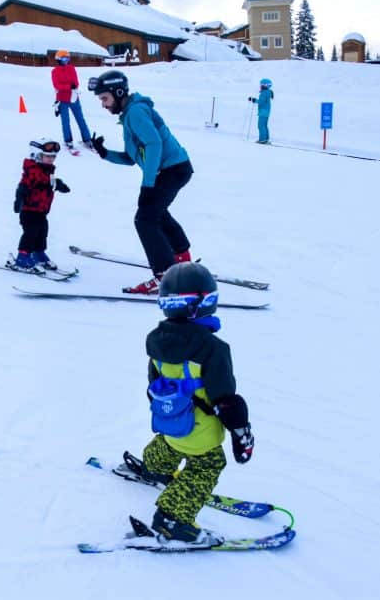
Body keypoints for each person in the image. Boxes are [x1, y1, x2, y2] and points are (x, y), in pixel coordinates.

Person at [122, 262, 254, 545]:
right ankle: (173, 519)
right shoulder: (213, 348)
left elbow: (152, 383)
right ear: (199, 306)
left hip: (170, 421)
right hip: (199, 430)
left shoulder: (156, 341)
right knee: (207, 464)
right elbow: (226, 399)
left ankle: (153, 466)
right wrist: (242, 434)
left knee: (170, 442)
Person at [88, 70, 194, 294]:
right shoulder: (130, 115)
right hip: (171, 169)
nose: (103, 105)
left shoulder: (135, 112)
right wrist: (105, 153)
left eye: (104, 98)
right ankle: (182, 259)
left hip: (172, 169)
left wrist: (147, 185)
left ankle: (165, 275)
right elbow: (131, 158)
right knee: (156, 213)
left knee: (145, 218)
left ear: (118, 92)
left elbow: (154, 144)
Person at [9, 138, 70, 272]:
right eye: (47, 156)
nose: (51, 159)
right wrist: (19, 199)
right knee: (30, 233)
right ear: (36, 155)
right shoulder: (32, 170)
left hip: (41, 210)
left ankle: (38, 253)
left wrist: (59, 184)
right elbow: (23, 186)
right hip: (29, 210)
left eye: (53, 157)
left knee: (42, 232)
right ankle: (22, 256)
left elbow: (48, 183)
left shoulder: (47, 170)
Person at [50, 50, 92, 154]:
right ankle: (68, 141)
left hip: (74, 98)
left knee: (80, 119)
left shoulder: (72, 69)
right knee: (65, 121)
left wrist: (70, 86)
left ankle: (87, 139)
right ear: (58, 59)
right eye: (64, 58)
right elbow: (57, 85)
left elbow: (76, 83)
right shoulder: (55, 71)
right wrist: (68, 86)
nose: (66, 61)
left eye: (68, 58)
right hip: (62, 99)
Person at [248, 78, 274, 144]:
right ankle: (266, 139)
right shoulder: (267, 92)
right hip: (266, 112)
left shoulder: (263, 93)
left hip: (263, 112)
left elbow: (261, 102)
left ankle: (262, 140)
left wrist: (254, 100)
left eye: (261, 84)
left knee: (260, 126)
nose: (260, 86)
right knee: (265, 126)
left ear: (265, 85)